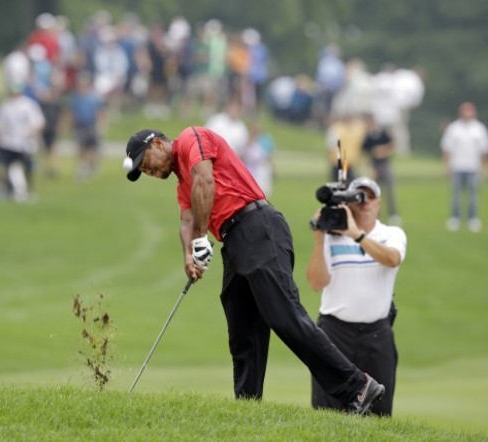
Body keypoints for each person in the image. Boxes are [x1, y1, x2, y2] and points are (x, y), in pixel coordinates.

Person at [122, 126, 385, 415]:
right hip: (234, 243)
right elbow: (186, 220)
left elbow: (206, 181)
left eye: (146, 163)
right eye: (144, 171)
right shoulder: (182, 183)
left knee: (284, 317)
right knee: (242, 331)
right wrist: (189, 254)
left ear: (158, 144)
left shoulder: (191, 139)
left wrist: (200, 239)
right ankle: (247, 410)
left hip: (258, 227)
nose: (149, 171)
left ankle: (357, 386)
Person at [306, 177, 406, 416]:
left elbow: (392, 259)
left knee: (379, 413)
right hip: (334, 332)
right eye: (358, 197)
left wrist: (356, 235)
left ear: (379, 203)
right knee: (326, 410)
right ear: (348, 204)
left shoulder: (391, 233)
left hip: (377, 334)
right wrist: (319, 239)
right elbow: (316, 282)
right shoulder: (332, 237)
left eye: (370, 197)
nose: (365, 202)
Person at [440, 102, 488, 232]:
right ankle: (455, 217)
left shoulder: (479, 129)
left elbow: (484, 151)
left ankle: (473, 218)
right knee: (455, 194)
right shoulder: (454, 128)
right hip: (457, 166)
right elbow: (447, 148)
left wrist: (484, 167)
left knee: (473, 195)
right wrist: (446, 166)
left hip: (473, 167)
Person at [362, 114, 400, 225]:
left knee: (389, 191)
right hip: (373, 166)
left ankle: (393, 214)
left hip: (384, 165)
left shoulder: (383, 134)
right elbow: (364, 152)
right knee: (373, 193)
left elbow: (391, 145)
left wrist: (382, 150)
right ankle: (375, 215)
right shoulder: (367, 137)